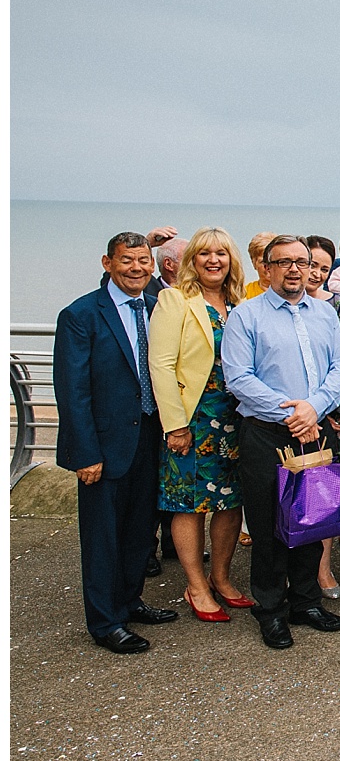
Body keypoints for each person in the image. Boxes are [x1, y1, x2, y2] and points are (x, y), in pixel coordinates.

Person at [221, 235, 340, 649]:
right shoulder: (246, 316)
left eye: (302, 261)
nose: (295, 269)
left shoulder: (325, 313)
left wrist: (313, 408)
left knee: (314, 520)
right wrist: (292, 414)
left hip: (315, 430)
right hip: (267, 434)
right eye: (284, 262)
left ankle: (306, 602)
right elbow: (238, 378)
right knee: (267, 526)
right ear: (267, 268)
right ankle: (271, 610)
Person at [55, 232, 178, 653]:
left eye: (144, 261)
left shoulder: (156, 307)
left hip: (150, 435)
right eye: (128, 261)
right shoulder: (81, 315)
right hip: (104, 446)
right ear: (107, 263)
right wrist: (84, 453)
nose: (137, 268)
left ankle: (130, 601)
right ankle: (105, 622)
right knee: (103, 536)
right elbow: (72, 392)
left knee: (139, 532)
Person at [147, 226, 253, 622]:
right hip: (193, 421)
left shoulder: (241, 303)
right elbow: (160, 364)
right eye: (205, 254)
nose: (214, 260)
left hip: (238, 419)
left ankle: (221, 578)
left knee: (231, 503)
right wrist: (174, 424)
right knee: (188, 505)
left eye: (221, 253)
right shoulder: (175, 300)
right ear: (192, 260)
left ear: (231, 260)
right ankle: (196, 585)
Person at [303, 235, 340, 594]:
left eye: (324, 268)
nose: (316, 273)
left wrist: (339, 407)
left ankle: (322, 570)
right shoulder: (262, 308)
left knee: (322, 495)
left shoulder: (335, 306)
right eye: (311, 266)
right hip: (284, 415)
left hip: (327, 414)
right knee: (288, 495)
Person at [243, 232, 278, 299]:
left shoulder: (294, 292)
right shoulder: (244, 294)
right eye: (263, 262)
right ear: (254, 263)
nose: (268, 267)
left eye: (273, 261)